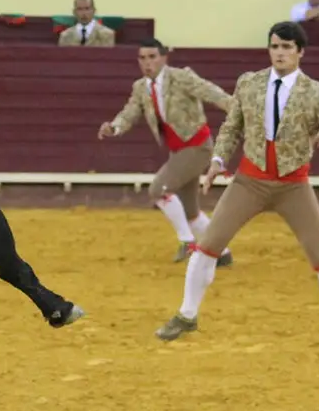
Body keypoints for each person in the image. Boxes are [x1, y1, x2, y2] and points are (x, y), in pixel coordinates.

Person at [154, 22, 319, 343]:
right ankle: (187, 315)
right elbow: (231, 127)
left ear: (300, 52)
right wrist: (217, 162)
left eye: (287, 47)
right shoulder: (249, 83)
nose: (280, 53)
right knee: (207, 247)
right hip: (250, 181)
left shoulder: (316, 93)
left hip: (294, 185)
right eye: (275, 46)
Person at [99, 39, 235, 265]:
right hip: (178, 150)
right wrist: (115, 127)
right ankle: (221, 253)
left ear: (164, 58)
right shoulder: (141, 87)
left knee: (158, 190)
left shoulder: (181, 77)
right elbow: (130, 112)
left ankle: (188, 242)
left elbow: (212, 93)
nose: (147, 63)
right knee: (190, 211)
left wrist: (240, 111)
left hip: (197, 146)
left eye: (152, 57)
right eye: (142, 58)